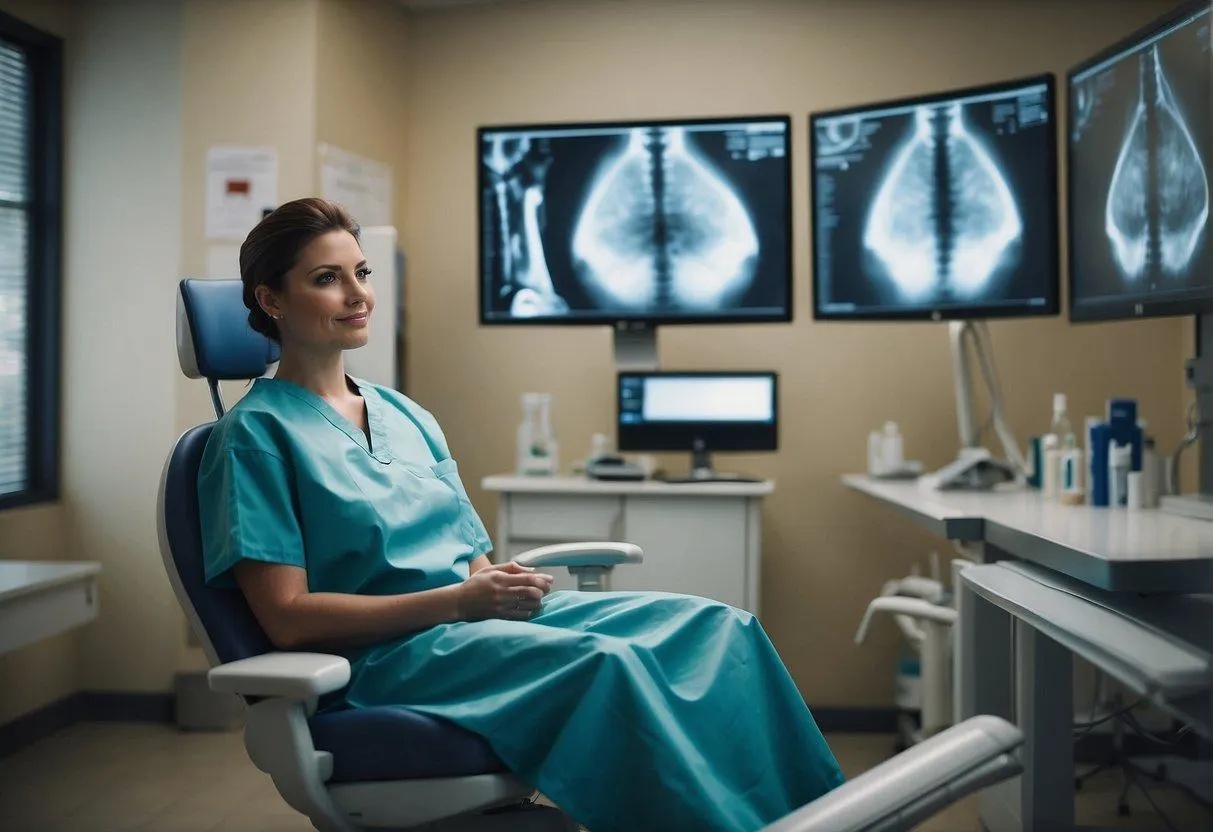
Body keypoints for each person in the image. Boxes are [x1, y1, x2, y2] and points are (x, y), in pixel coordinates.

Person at [197, 197, 845, 832]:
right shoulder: (253, 437)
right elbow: (285, 620)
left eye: (361, 273)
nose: (358, 294)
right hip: (383, 658)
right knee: (606, 666)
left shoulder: (404, 414)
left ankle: (827, 818)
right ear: (271, 300)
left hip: (465, 626)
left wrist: (498, 586)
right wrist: (461, 601)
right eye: (326, 279)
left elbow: (472, 559)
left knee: (717, 628)